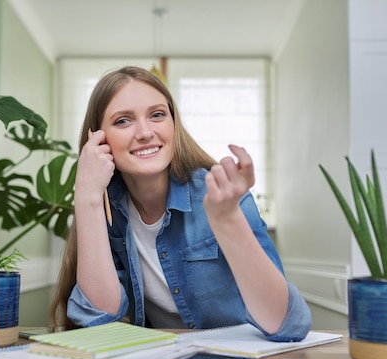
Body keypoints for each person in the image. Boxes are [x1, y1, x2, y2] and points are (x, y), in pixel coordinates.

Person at [49, 66, 311, 342]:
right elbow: (98, 322)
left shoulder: (222, 196)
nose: (145, 132)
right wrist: (87, 197)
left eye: (157, 115)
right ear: (98, 141)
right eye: (123, 121)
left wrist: (227, 219)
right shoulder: (107, 206)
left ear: (174, 124)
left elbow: (287, 325)